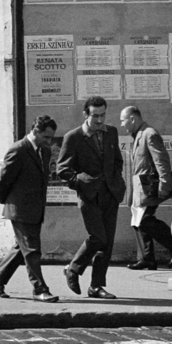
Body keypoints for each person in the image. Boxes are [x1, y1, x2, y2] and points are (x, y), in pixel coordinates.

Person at [57, 95, 127, 299]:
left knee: (107, 243)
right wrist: (80, 183)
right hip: (89, 196)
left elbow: (117, 161)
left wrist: (116, 180)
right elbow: (62, 169)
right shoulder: (74, 137)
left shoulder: (111, 132)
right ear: (85, 114)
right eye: (95, 115)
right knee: (97, 238)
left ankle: (96, 286)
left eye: (103, 115)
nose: (99, 120)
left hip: (111, 194)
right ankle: (73, 269)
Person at [0, 115, 60, 302]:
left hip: (35, 209)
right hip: (19, 208)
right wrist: (10, 203)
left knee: (23, 248)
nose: (49, 141)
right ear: (35, 131)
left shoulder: (43, 151)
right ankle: (39, 289)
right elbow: (2, 180)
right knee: (32, 249)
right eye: (46, 137)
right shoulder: (18, 150)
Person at [123, 106, 172, 270]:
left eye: (123, 120)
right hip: (140, 188)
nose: (122, 124)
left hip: (149, 187)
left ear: (132, 119)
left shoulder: (149, 134)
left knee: (145, 220)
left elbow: (161, 160)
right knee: (138, 222)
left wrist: (165, 184)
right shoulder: (139, 135)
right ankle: (148, 258)